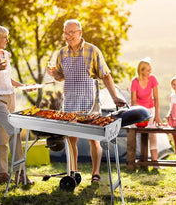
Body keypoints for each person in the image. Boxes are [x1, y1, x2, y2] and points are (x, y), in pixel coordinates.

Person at [47, 19, 125, 183]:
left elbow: (105, 75)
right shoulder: (62, 53)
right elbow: (62, 76)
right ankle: (73, 172)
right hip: (70, 102)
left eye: (71, 33)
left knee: (93, 139)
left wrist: (115, 97)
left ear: (80, 32)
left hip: (90, 102)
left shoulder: (92, 50)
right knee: (71, 139)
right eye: (66, 33)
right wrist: (54, 74)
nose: (68, 36)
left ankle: (95, 173)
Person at [0, 25, 34, 184]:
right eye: (5, 37)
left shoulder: (5, 54)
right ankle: (20, 173)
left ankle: (1, 173)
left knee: (3, 136)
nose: (7, 40)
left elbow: (8, 79)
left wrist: (24, 86)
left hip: (10, 97)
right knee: (14, 131)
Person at [130, 57, 161, 169]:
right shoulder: (135, 81)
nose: (150, 72)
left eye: (150, 69)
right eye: (148, 70)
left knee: (153, 134)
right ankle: (143, 161)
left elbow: (156, 98)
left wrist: (157, 115)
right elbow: (133, 100)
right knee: (140, 134)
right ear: (141, 71)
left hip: (151, 109)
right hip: (139, 110)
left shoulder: (152, 79)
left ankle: (155, 162)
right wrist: (139, 113)